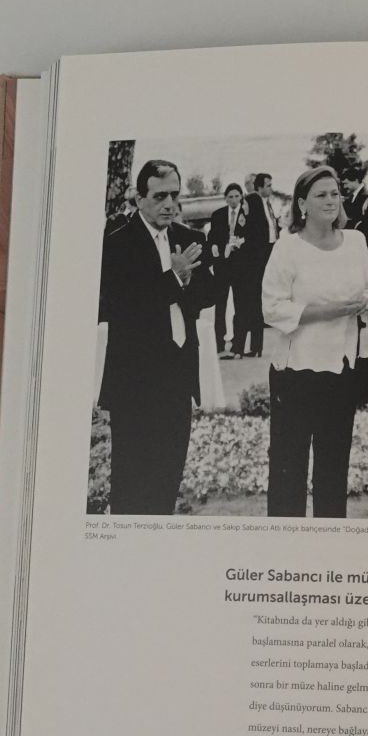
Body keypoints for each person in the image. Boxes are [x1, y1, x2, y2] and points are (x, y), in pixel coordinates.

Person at [98, 159, 214, 513]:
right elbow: (117, 306)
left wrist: (187, 282)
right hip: (135, 381)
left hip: (178, 375)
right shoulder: (117, 242)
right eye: (160, 196)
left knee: (167, 480)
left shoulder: (189, 238)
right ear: (139, 198)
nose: (170, 204)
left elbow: (208, 295)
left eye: (175, 195)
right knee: (131, 485)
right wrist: (174, 278)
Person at [261, 166, 368, 518]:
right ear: (302, 204)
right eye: (321, 194)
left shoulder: (356, 242)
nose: (330, 200)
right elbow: (272, 308)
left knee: (333, 471)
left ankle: (329, 542)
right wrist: (330, 311)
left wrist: (365, 303)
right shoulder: (287, 248)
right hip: (295, 373)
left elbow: (367, 289)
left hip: (342, 371)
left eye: (335, 193)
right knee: (288, 471)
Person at [232, 170, 279, 357]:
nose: (271, 188)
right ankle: (240, 347)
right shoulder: (251, 200)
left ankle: (256, 347)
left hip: (264, 258)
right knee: (247, 303)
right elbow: (242, 227)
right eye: (268, 185)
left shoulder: (268, 204)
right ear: (259, 187)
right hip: (252, 261)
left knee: (258, 303)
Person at [205, 182, 245, 355]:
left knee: (239, 304)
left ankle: (238, 345)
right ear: (225, 198)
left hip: (240, 266)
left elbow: (251, 237)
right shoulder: (218, 215)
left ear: (241, 197)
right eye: (230, 197)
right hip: (222, 265)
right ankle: (219, 343)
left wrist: (240, 244)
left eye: (237, 196)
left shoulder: (246, 214)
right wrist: (214, 246)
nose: (234, 200)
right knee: (220, 304)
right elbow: (212, 237)